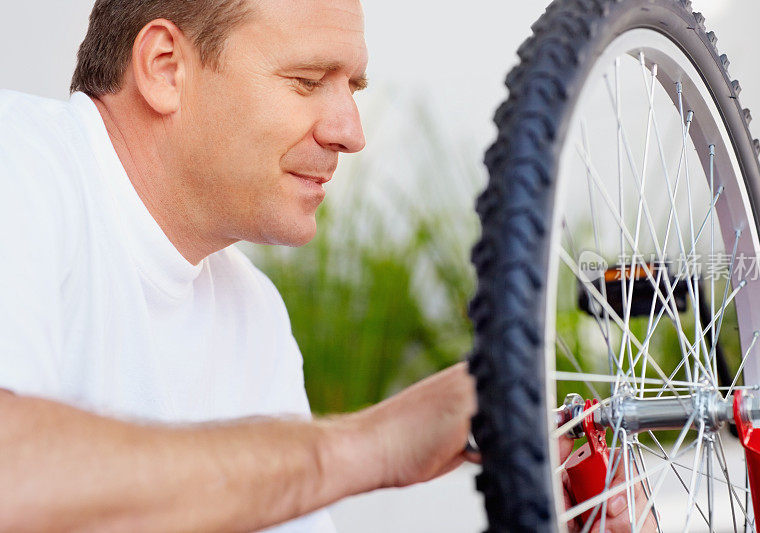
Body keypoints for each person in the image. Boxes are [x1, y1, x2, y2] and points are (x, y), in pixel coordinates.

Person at [0, 0, 649, 531]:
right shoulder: (18, 162)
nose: (350, 130)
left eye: (353, 87)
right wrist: (372, 443)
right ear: (166, 67)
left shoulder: (250, 314)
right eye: (308, 81)